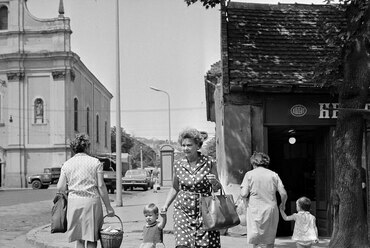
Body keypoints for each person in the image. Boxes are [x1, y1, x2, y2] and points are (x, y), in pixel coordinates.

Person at [161, 127, 222, 248]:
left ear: (197, 146)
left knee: (205, 244)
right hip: (183, 209)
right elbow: (175, 188)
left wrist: (214, 181)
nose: (185, 148)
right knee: (182, 244)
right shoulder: (178, 164)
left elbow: (217, 188)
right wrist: (166, 205)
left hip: (205, 209)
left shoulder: (209, 162)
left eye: (189, 145)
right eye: (183, 145)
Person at [57, 133, 115, 248]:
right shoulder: (95, 162)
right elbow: (101, 185)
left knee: (79, 239)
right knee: (92, 238)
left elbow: (60, 187)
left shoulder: (67, 164)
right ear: (87, 147)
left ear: (74, 149)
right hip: (91, 202)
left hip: (74, 202)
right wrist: (108, 207)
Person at [240, 151, 288, 248]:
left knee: (256, 240)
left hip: (254, 209)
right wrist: (283, 204)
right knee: (269, 240)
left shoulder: (249, 174)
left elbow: (244, 194)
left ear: (254, 162)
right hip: (271, 209)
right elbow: (283, 193)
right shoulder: (274, 175)